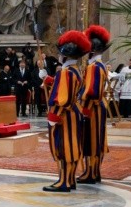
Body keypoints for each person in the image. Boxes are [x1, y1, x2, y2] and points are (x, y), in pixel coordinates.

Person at [44, 30, 91, 192]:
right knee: (72, 147)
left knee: (63, 147)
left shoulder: (65, 73)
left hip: (64, 115)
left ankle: (63, 181)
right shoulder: (76, 71)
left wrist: (53, 116)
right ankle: (70, 180)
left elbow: (62, 98)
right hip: (74, 113)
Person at [78, 25, 111, 184]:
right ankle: (94, 171)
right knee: (97, 140)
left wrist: (84, 107)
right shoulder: (101, 66)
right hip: (99, 107)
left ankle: (90, 173)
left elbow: (92, 91)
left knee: (91, 141)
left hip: (92, 108)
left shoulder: (93, 67)